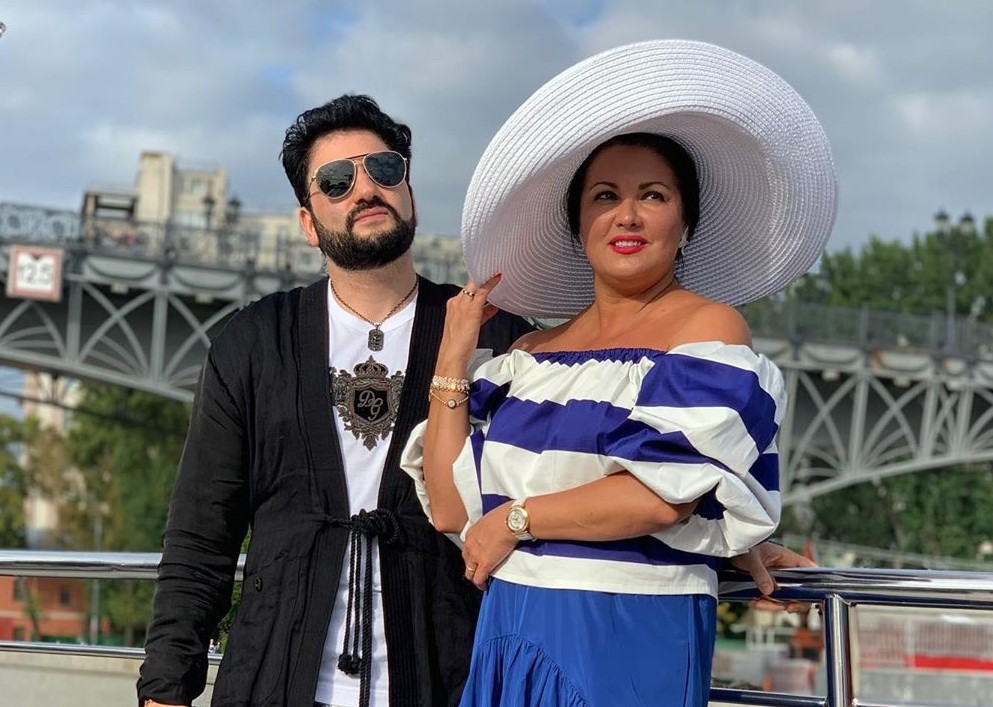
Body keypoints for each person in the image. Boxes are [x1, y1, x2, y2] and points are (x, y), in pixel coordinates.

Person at [136, 92, 812, 707]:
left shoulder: (502, 337)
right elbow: (202, 531)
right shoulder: (253, 344)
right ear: (308, 221)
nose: (365, 189)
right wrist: (166, 688)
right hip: (278, 677)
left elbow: (594, 474)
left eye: (384, 169)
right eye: (336, 181)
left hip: (451, 674)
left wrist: (720, 538)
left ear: (409, 190)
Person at [402, 39, 836, 706]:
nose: (626, 215)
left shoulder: (707, 331)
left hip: (628, 633)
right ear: (579, 223)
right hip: (511, 627)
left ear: (685, 222)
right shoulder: (530, 354)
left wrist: (515, 519)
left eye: (652, 195)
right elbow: (453, 509)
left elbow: (657, 497)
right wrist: (453, 355)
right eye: (604, 196)